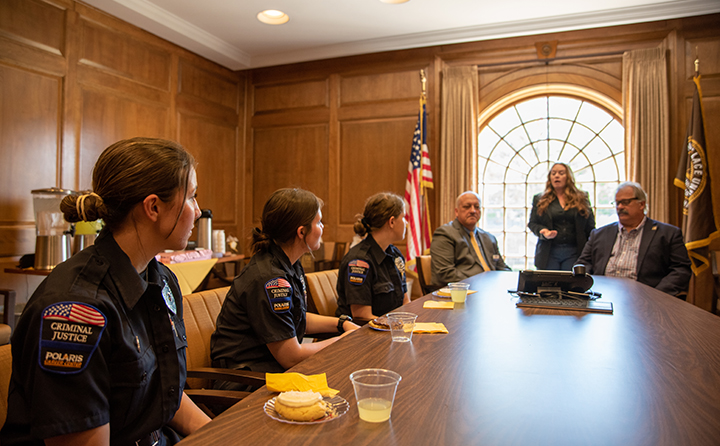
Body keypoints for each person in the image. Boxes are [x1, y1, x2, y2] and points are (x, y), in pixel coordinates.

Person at [1, 137, 211, 445]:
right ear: (153, 207)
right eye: (191, 197)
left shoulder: (162, 279)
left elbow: (166, 394)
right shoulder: (75, 310)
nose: (198, 210)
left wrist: (223, 434)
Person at [210, 188, 359, 385]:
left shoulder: (287, 263)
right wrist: (344, 342)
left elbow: (295, 316)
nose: (323, 227)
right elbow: (291, 356)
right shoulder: (270, 278)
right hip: (245, 380)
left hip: (271, 370)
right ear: (301, 231)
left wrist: (341, 324)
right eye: (319, 222)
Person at [576, 181, 692, 297]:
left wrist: (657, 295)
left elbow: (681, 270)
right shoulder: (599, 234)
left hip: (646, 299)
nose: (620, 207)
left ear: (641, 204)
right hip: (602, 296)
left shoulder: (667, 234)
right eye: (617, 203)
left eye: (625, 202)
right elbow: (583, 263)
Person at [335, 192, 409, 321]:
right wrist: (397, 327)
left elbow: (405, 302)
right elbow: (362, 317)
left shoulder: (395, 255)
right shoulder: (359, 262)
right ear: (391, 222)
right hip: (366, 335)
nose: (406, 223)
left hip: (392, 330)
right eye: (403, 217)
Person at [431, 191, 510, 287]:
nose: (473, 211)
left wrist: (511, 279)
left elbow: (501, 267)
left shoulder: (489, 238)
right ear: (457, 211)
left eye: (477, 207)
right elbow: (445, 273)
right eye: (467, 206)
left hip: (491, 290)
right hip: (463, 293)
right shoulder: (445, 234)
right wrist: (479, 284)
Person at [528, 162, 595, 270]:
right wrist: (543, 231)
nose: (557, 176)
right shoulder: (539, 199)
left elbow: (590, 226)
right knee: (549, 284)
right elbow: (533, 223)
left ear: (568, 177)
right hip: (549, 252)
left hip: (575, 251)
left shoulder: (582, 197)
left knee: (570, 284)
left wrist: (590, 253)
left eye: (561, 173)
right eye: (553, 173)